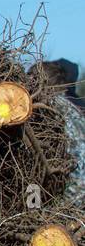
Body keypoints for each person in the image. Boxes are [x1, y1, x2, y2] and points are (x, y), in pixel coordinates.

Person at [31, 58, 85, 204]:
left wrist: (32, 209)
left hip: (67, 200)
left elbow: (34, 169)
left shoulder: (43, 112)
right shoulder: (74, 110)